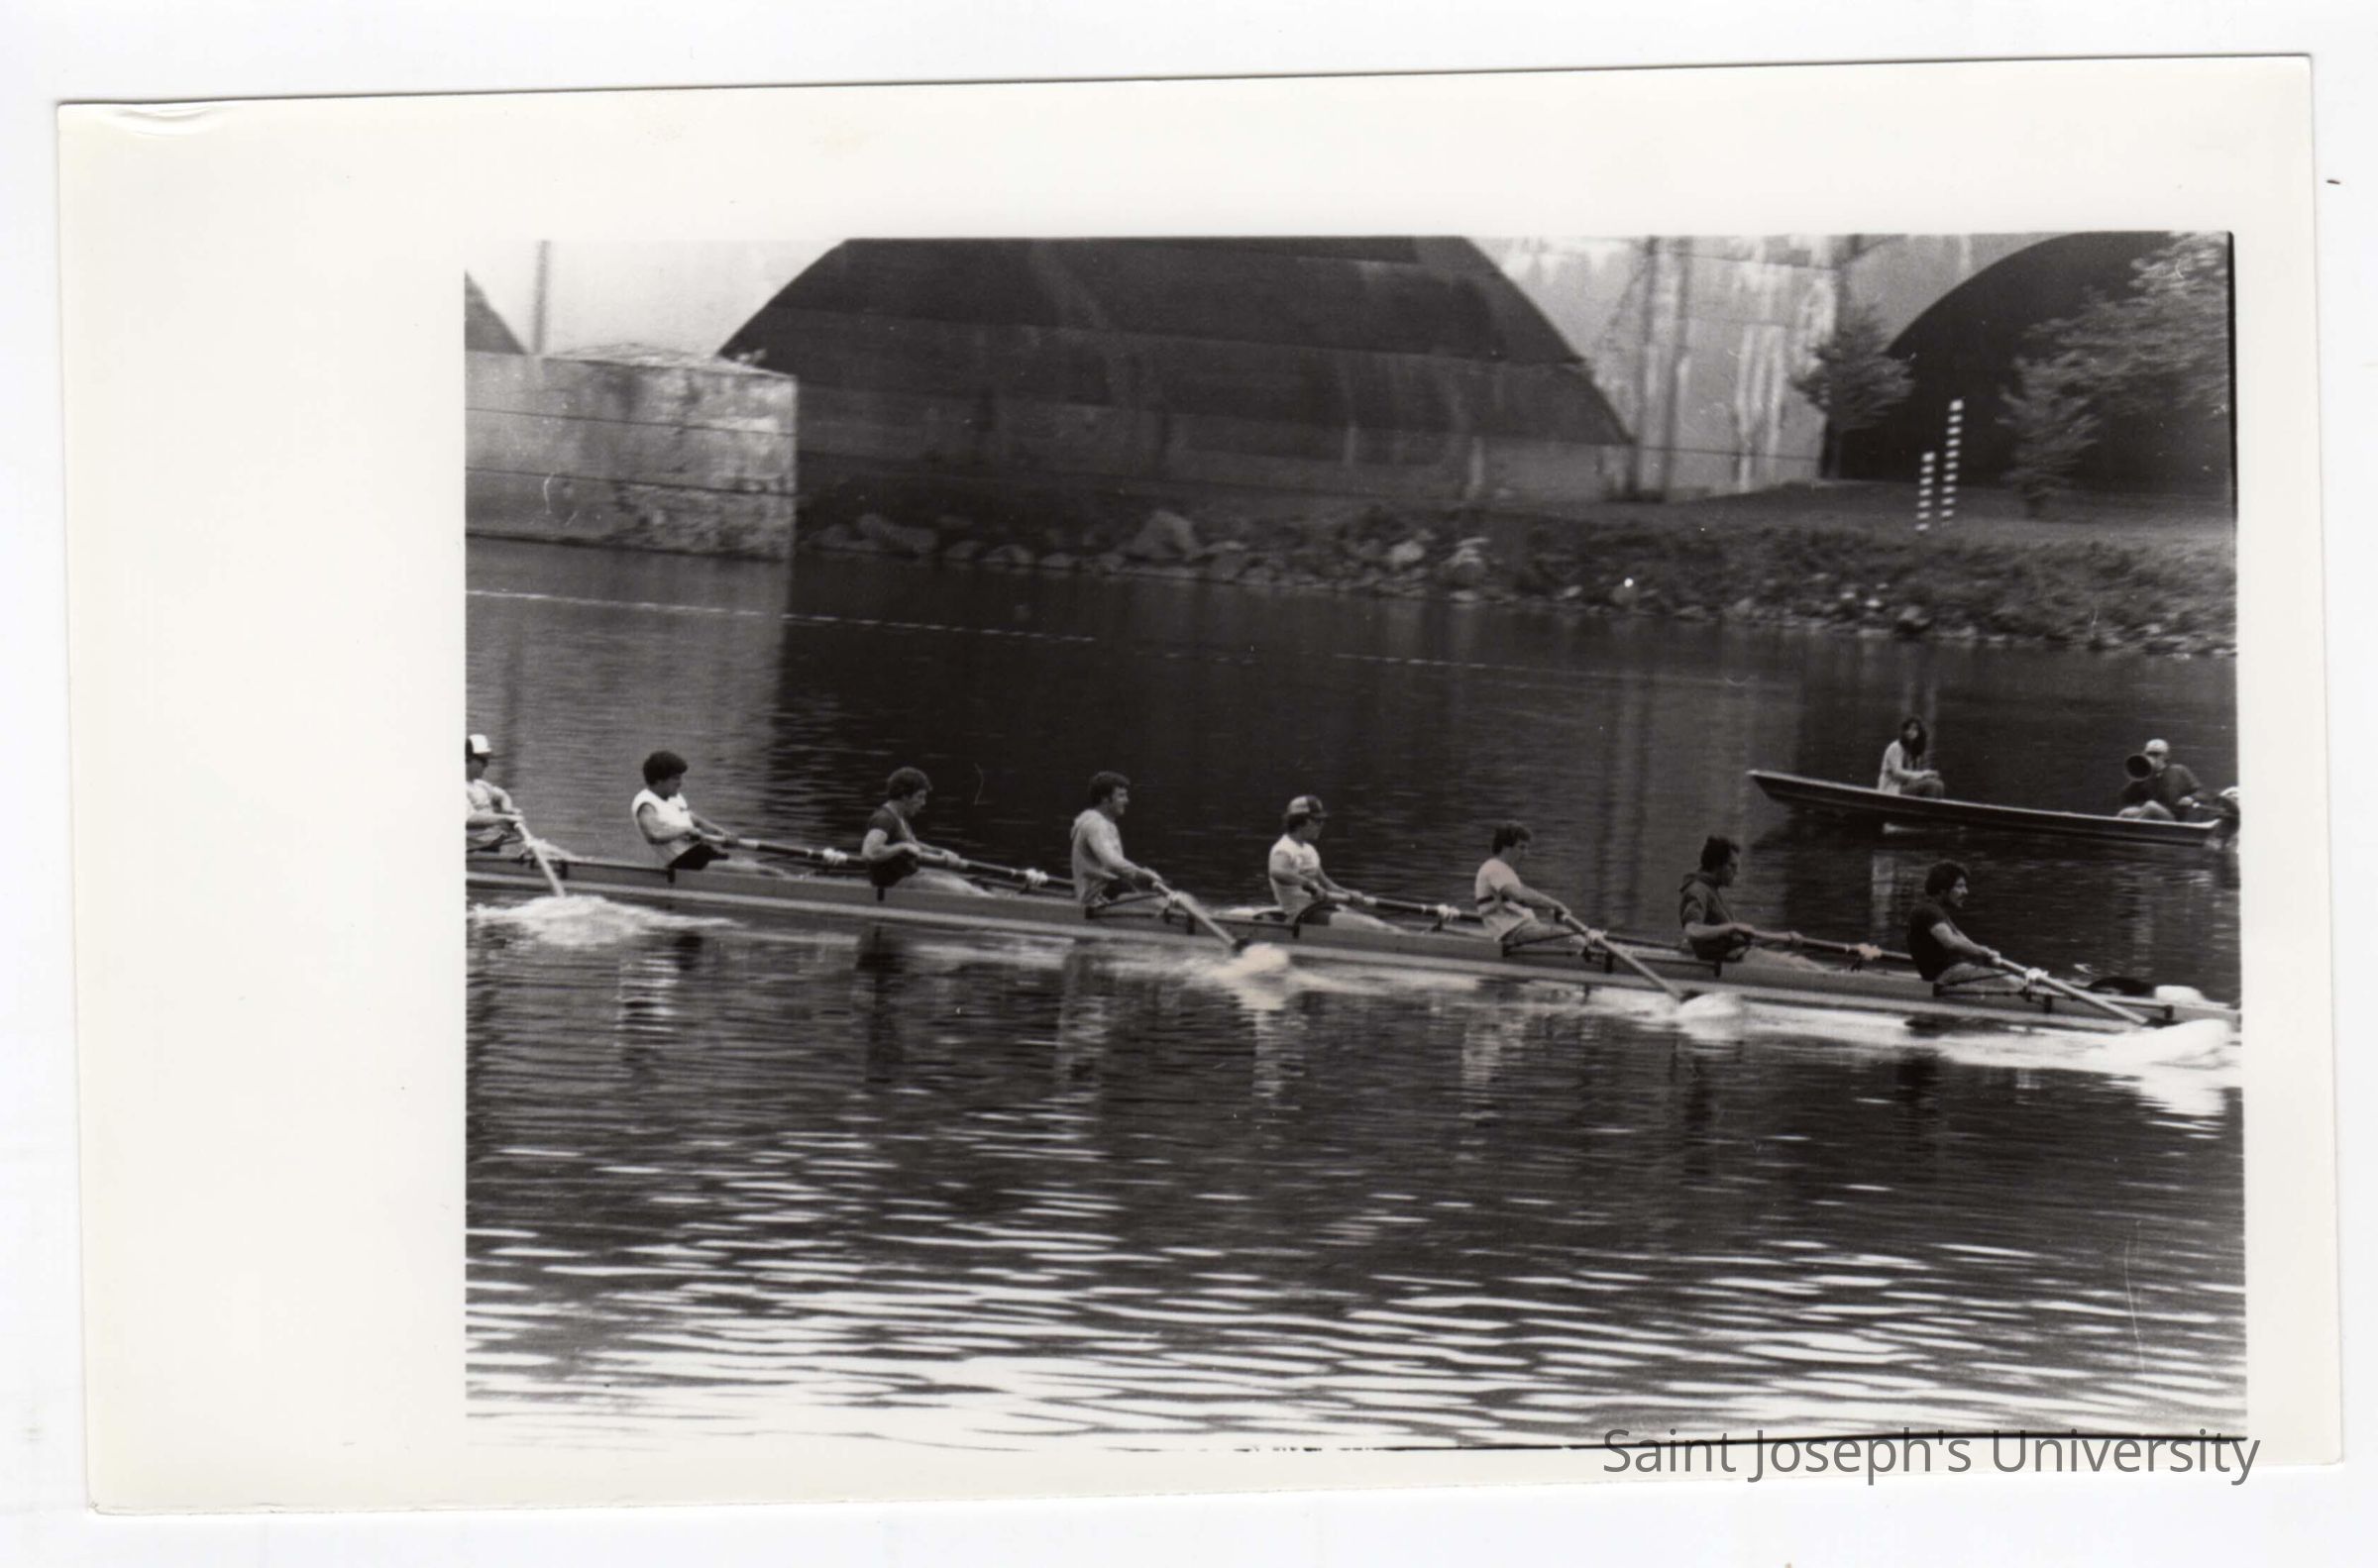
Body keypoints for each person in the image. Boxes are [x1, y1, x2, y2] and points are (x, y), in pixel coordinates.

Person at [1906, 860, 2043, 989]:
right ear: (1942, 890)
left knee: (2016, 980)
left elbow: (1962, 939)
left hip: (1954, 972)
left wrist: (1983, 952)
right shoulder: (1928, 910)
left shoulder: (1936, 911)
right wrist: (1983, 952)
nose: (1965, 892)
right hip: (1947, 976)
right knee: (2018, 984)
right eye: (1959, 886)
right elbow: (1951, 942)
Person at [1474, 820, 1603, 949]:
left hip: (1523, 928)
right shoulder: (1495, 868)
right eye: (1521, 847)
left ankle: (1592, 946)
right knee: (1570, 938)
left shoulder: (1504, 870)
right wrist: (1555, 905)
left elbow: (1526, 892)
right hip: (1514, 933)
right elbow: (1520, 897)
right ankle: (1593, 950)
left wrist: (1553, 906)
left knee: (1574, 936)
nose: (1526, 853)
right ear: (1506, 848)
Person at [1266, 795, 1386, 927]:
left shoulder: (1309, 850)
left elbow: (1327, 885)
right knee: (1370, 927)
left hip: (1322, 907)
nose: (1322, 825)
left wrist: (1348, 893)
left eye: (1322, 821)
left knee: (1377, 925)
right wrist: (1309, 885)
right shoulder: (1284, 848)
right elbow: (1277, 871)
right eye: (1317, 820)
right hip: (1303, 914)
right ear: (1300, 821)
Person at [632, 750, 745, 873]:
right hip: (684, 863)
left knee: (752, 864)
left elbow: (694, 819)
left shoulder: (674, 798)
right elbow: (654, 835)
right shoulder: (646, 805)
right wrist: (686, 830)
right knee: (756, 870)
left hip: (701, 854)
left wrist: (722, 833)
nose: (680, 783)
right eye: (675, 778)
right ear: (659, 780)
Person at [860, 767, 970, 891]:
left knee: (967, 886)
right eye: (919, 797)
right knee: (964, 891)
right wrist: (902, 847)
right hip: (894, 886)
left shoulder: (899, 816)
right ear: (904, 796)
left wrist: (942, 852)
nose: (923, 803)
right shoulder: (884, 818)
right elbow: (869, 853)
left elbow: (914, 845)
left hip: (911, 877)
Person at [1070, 771, 1160, 906]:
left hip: (1107, 891)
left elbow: (1115, 868)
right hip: (1097, 898)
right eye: (1121, 796)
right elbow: (1112, 863)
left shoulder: (1104, 823)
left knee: (1156, 897)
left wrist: (1141, 876)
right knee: (1160, 904)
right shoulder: (1096, 825)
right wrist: (1141, 874)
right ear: (1105, 799)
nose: (1127, 801)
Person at [2117, 737, 2208, 821]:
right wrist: (2138, 778)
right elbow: (2126, 798)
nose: (2152, 757)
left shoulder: (2179, 771)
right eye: (2149, 754)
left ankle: (2134, 829)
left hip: (2173, 818)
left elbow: (2202, 793)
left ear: (2165, 756)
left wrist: (2191, 798)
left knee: (2150, 806)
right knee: (2126, 812)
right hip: (2151, 815)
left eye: (2156, 754)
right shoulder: (2146, 776)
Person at [465, 734, 524, 854]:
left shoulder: (481, 785)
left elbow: (502, 795)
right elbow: (468, 818)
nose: (487, 765)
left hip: (489, 842)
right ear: (467, 759)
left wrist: (508, 809)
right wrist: (504, 818)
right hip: (473, 847)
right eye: (483, 760)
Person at [1877, 716, 1945, 798]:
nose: (1910, 731)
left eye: (1914, 729)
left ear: (1919, 733)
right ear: (1904, 731)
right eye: (1908, 729)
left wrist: (1927, 776)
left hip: (1904, 788)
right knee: (1932, 785)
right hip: (1890, 790)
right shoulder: (1896, 747)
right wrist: (1924, 774)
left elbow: (1913, 777)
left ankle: (1930, 806)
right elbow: (1898, 773)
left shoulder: (1913, 752)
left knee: (1939, 785)